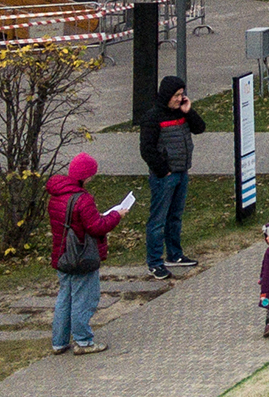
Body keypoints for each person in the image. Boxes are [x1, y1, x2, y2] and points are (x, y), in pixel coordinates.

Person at [47, 151, 127, 355]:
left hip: (62, 255)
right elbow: (96, 228)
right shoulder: (83, 199)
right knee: (84, 299)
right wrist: (116, 216)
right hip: (81, 257)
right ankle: (83, 341)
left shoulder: (56, 195)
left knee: (64, 299)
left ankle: (59, 342)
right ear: (85, 176)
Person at [137, 75, 204, 280]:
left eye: (182, 94)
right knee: (158, 220)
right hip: (165, 176)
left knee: (175, 216)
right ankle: (155, 262)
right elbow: (147, 149)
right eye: (176, 95)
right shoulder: (153, 117)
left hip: (182, 171)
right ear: (167, 95)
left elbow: (200, 128)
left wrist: (188, 111)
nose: (180, 98)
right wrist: (162, 170)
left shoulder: (182, 113)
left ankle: (174, 254)